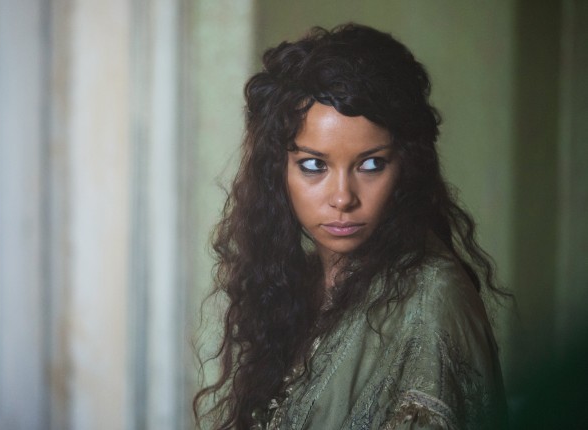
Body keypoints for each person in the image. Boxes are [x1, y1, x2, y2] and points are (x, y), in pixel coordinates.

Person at [194, 22, 508, 429]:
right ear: (277, 171)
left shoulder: (432, 300)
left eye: (371, 164)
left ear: (406, 166)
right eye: (313, 165)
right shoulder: (299, 283)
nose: (342, 197)